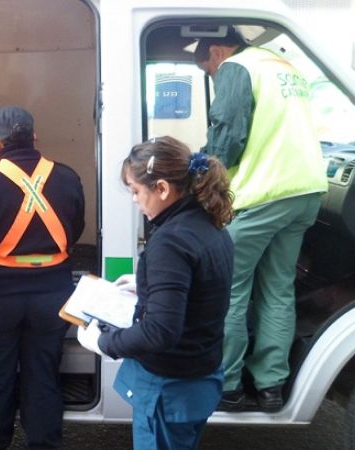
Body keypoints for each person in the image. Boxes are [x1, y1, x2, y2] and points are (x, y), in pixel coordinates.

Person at [193, 27, 328, 412]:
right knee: (277, 289)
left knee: (230, 290)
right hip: (305, 192)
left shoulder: (238, 66)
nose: (214, 78)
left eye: (208, 71)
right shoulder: (284, 66)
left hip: (263, 194)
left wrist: (198, 174)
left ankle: (228, 387)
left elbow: (228, 137)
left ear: (218, 52)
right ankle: (271, 386)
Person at [76, 136, 233, 450]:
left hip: (169, 387)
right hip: (200, 376)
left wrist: (103, 343)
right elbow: (202, 287)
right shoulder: (209, 225)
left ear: (162, 188)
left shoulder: (170, 241)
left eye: (136, 191)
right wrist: (146, 285)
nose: (134, 200)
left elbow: (159, 332)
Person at [0, 106, 85, 449]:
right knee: (43, 379)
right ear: (34, 137)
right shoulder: (68, 178)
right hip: (52, 294)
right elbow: (75, 231)